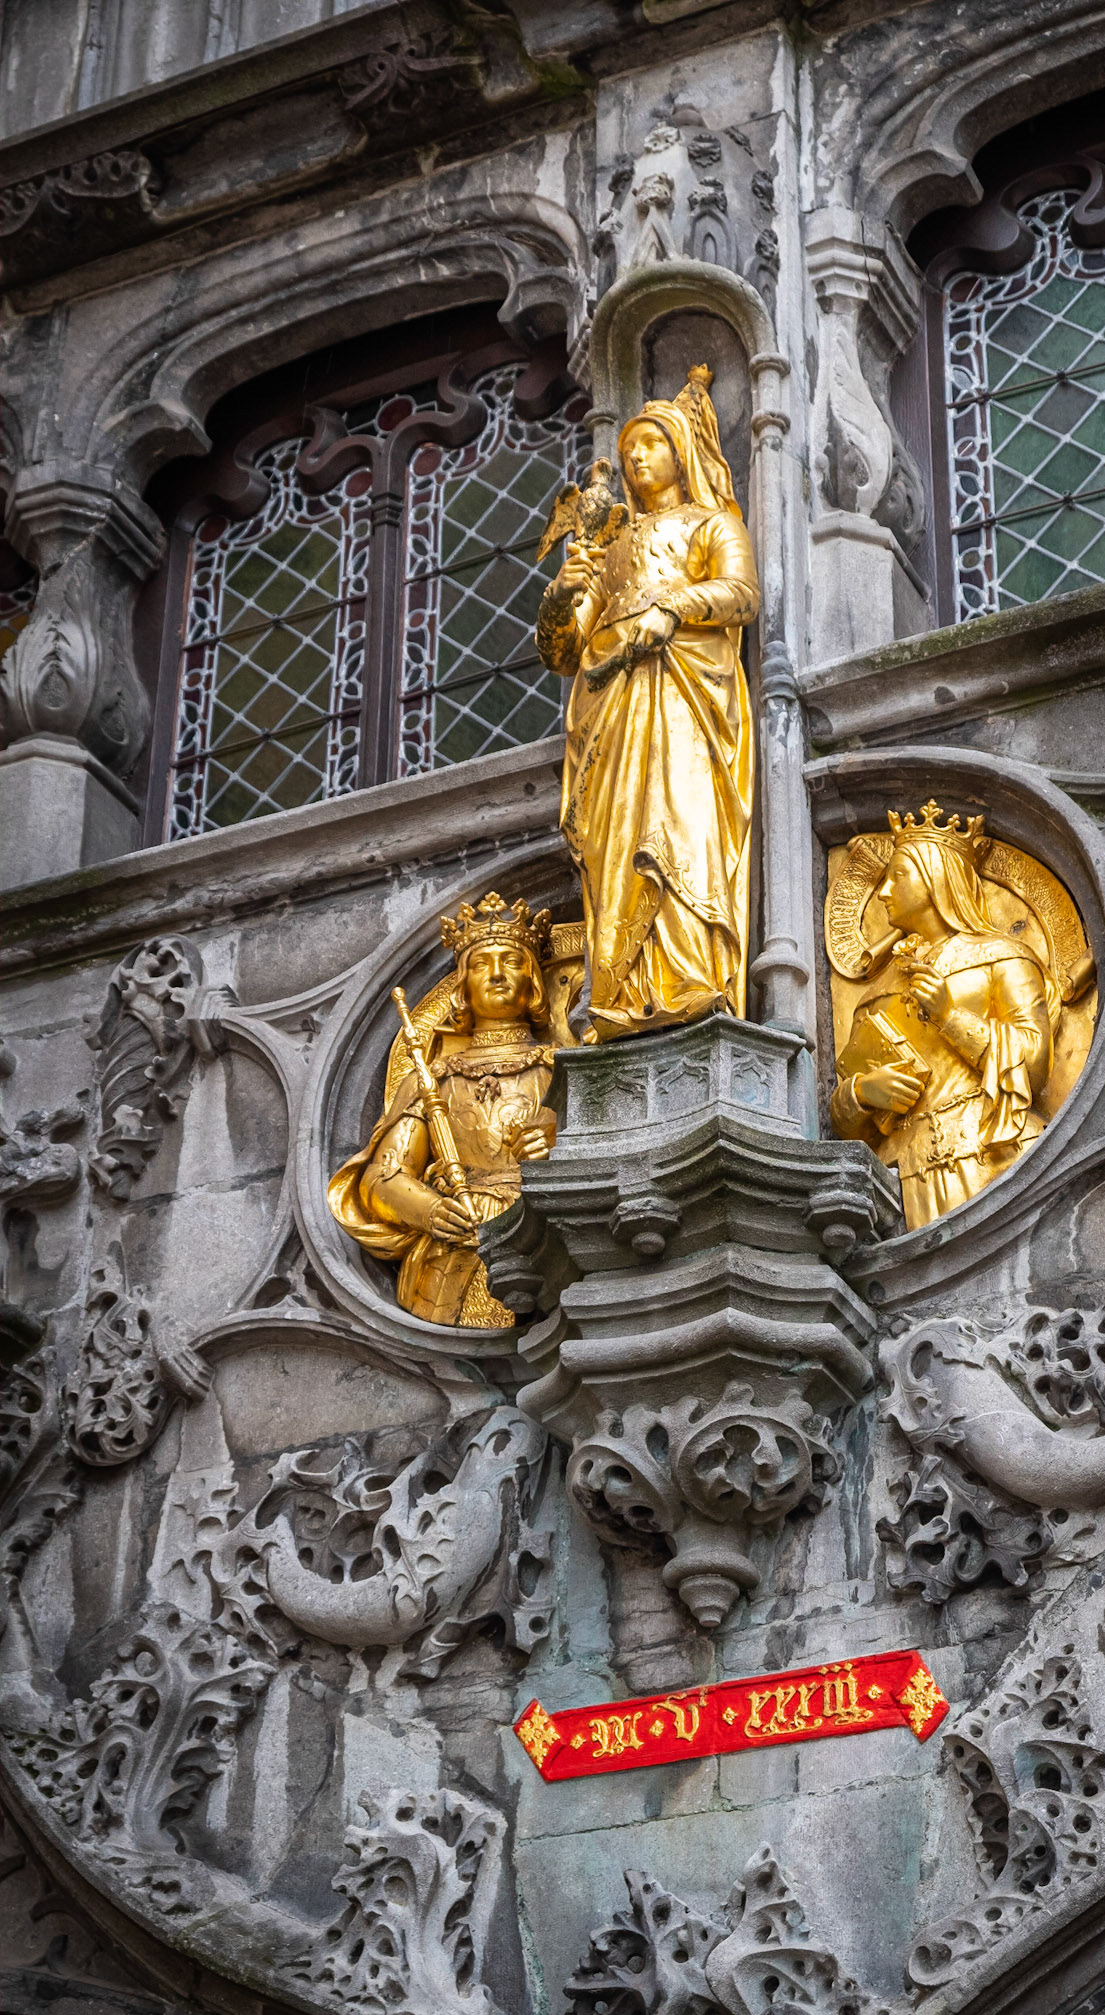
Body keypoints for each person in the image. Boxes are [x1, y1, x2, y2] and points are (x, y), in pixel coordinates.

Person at [536, 365, 759, 1041]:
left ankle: (692, 977)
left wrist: (671, 609)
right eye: (628, 447)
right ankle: (620, 991)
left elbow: (741, 594)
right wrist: (559, 596)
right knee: (617, 844)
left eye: (650, 443)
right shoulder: (613, 545)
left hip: (683, 693)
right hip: (611, 707)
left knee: (679, 826)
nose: (634, 456)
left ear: (681, 453)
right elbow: (564, 652)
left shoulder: (710, 523)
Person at [327, 894, 556, 1327]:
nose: (496, 974)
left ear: (535, 980)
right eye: (481, 964)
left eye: (511, 961)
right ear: (462, 986)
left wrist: (561, 1143)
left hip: (546, 1228)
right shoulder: (432, 1079)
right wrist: (431, 1211)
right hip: (456, 1247)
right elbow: (384, 1176)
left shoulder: (564, 1068)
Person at [831, 804, 1058, 1230]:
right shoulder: (880, 992)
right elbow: (847, 1119)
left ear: (937, 876)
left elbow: (1035, 1062)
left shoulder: (1002, 958)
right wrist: (863, 1093)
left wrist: (951, 1016)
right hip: (899, 1177)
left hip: (987, 1151)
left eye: (898, 875)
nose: (882, 891)